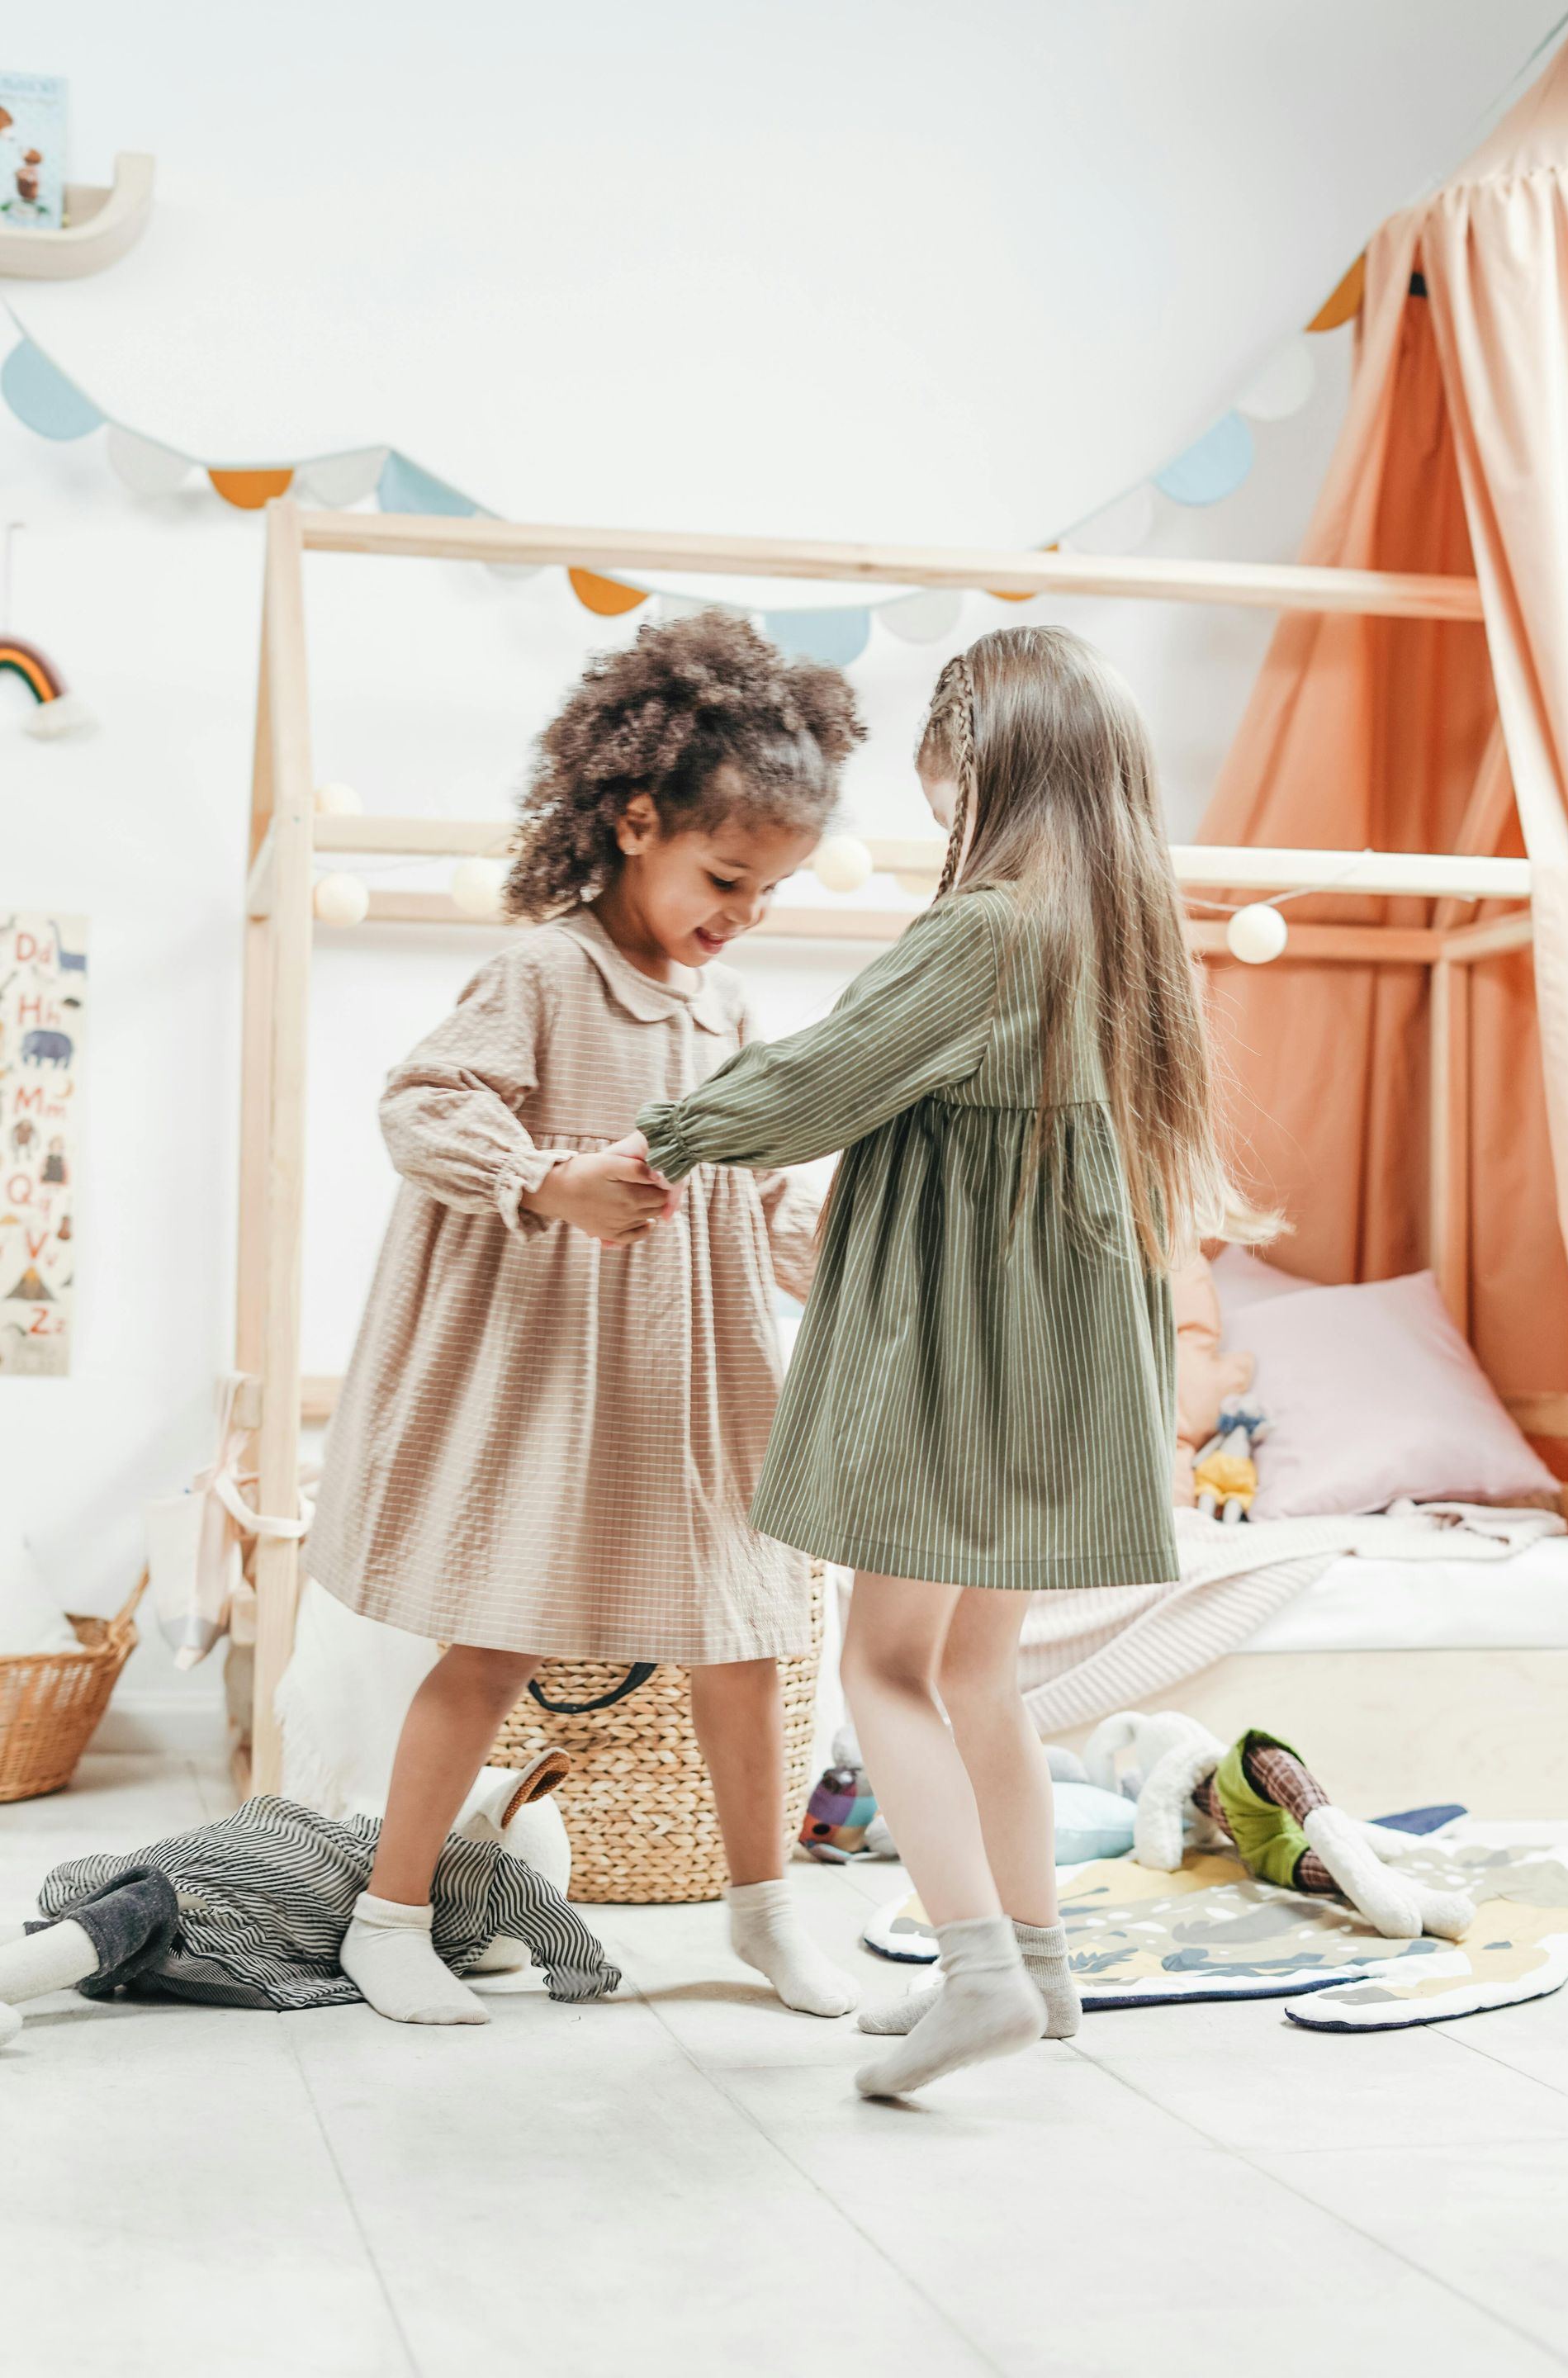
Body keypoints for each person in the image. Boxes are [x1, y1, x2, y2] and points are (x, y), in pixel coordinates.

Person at [628, 624, 1238, 2098]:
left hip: (961, 1358)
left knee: (885, 1663)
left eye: (944, 791)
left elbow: (824, 1076)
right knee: (983, 1671)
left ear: (987, 769)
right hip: (1060, 1362)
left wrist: (657, 1140)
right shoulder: (1126, 939)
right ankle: (1038, 1964)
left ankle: (975, 1972)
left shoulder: (991, 932)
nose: (940, 822)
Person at [306, 613, 865, 2028]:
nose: (741, 913)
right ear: (633, 822)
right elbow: (422, 1107)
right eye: (725, 876)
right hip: (559, 1379)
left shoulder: (726, 1007)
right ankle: (391, 1914)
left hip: (696, 1383)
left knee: (747, 1643)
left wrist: (861, 1256)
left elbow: (756, 1189)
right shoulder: (547, 975)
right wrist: (550, 1179)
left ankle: (763, 1915)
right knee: (491, 1645)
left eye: (769, 891)